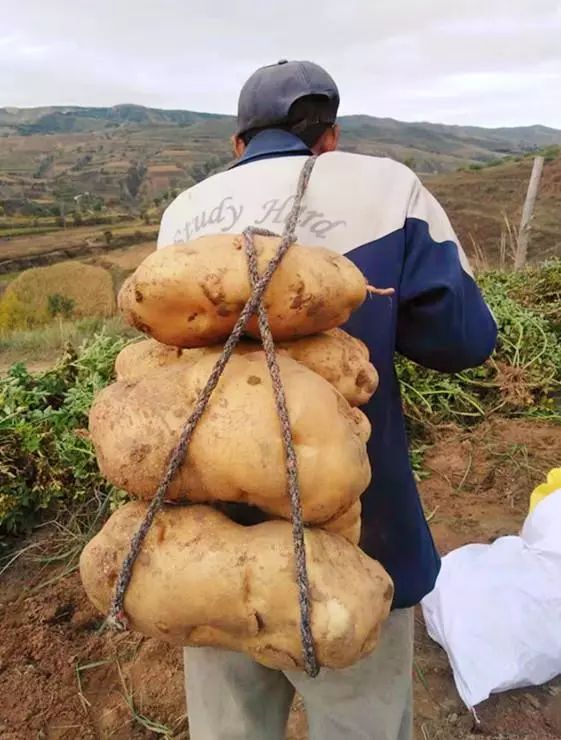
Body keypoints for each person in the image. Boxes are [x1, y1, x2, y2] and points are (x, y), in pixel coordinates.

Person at [157, 60, 497, 740]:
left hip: (204, 544)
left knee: (230, 727)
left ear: (238, 144)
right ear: (330, 136)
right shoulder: (388, 188)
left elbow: (162, 368)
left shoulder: (183, 214)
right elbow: (462, 341)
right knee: (360, 720)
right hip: (357, 534)